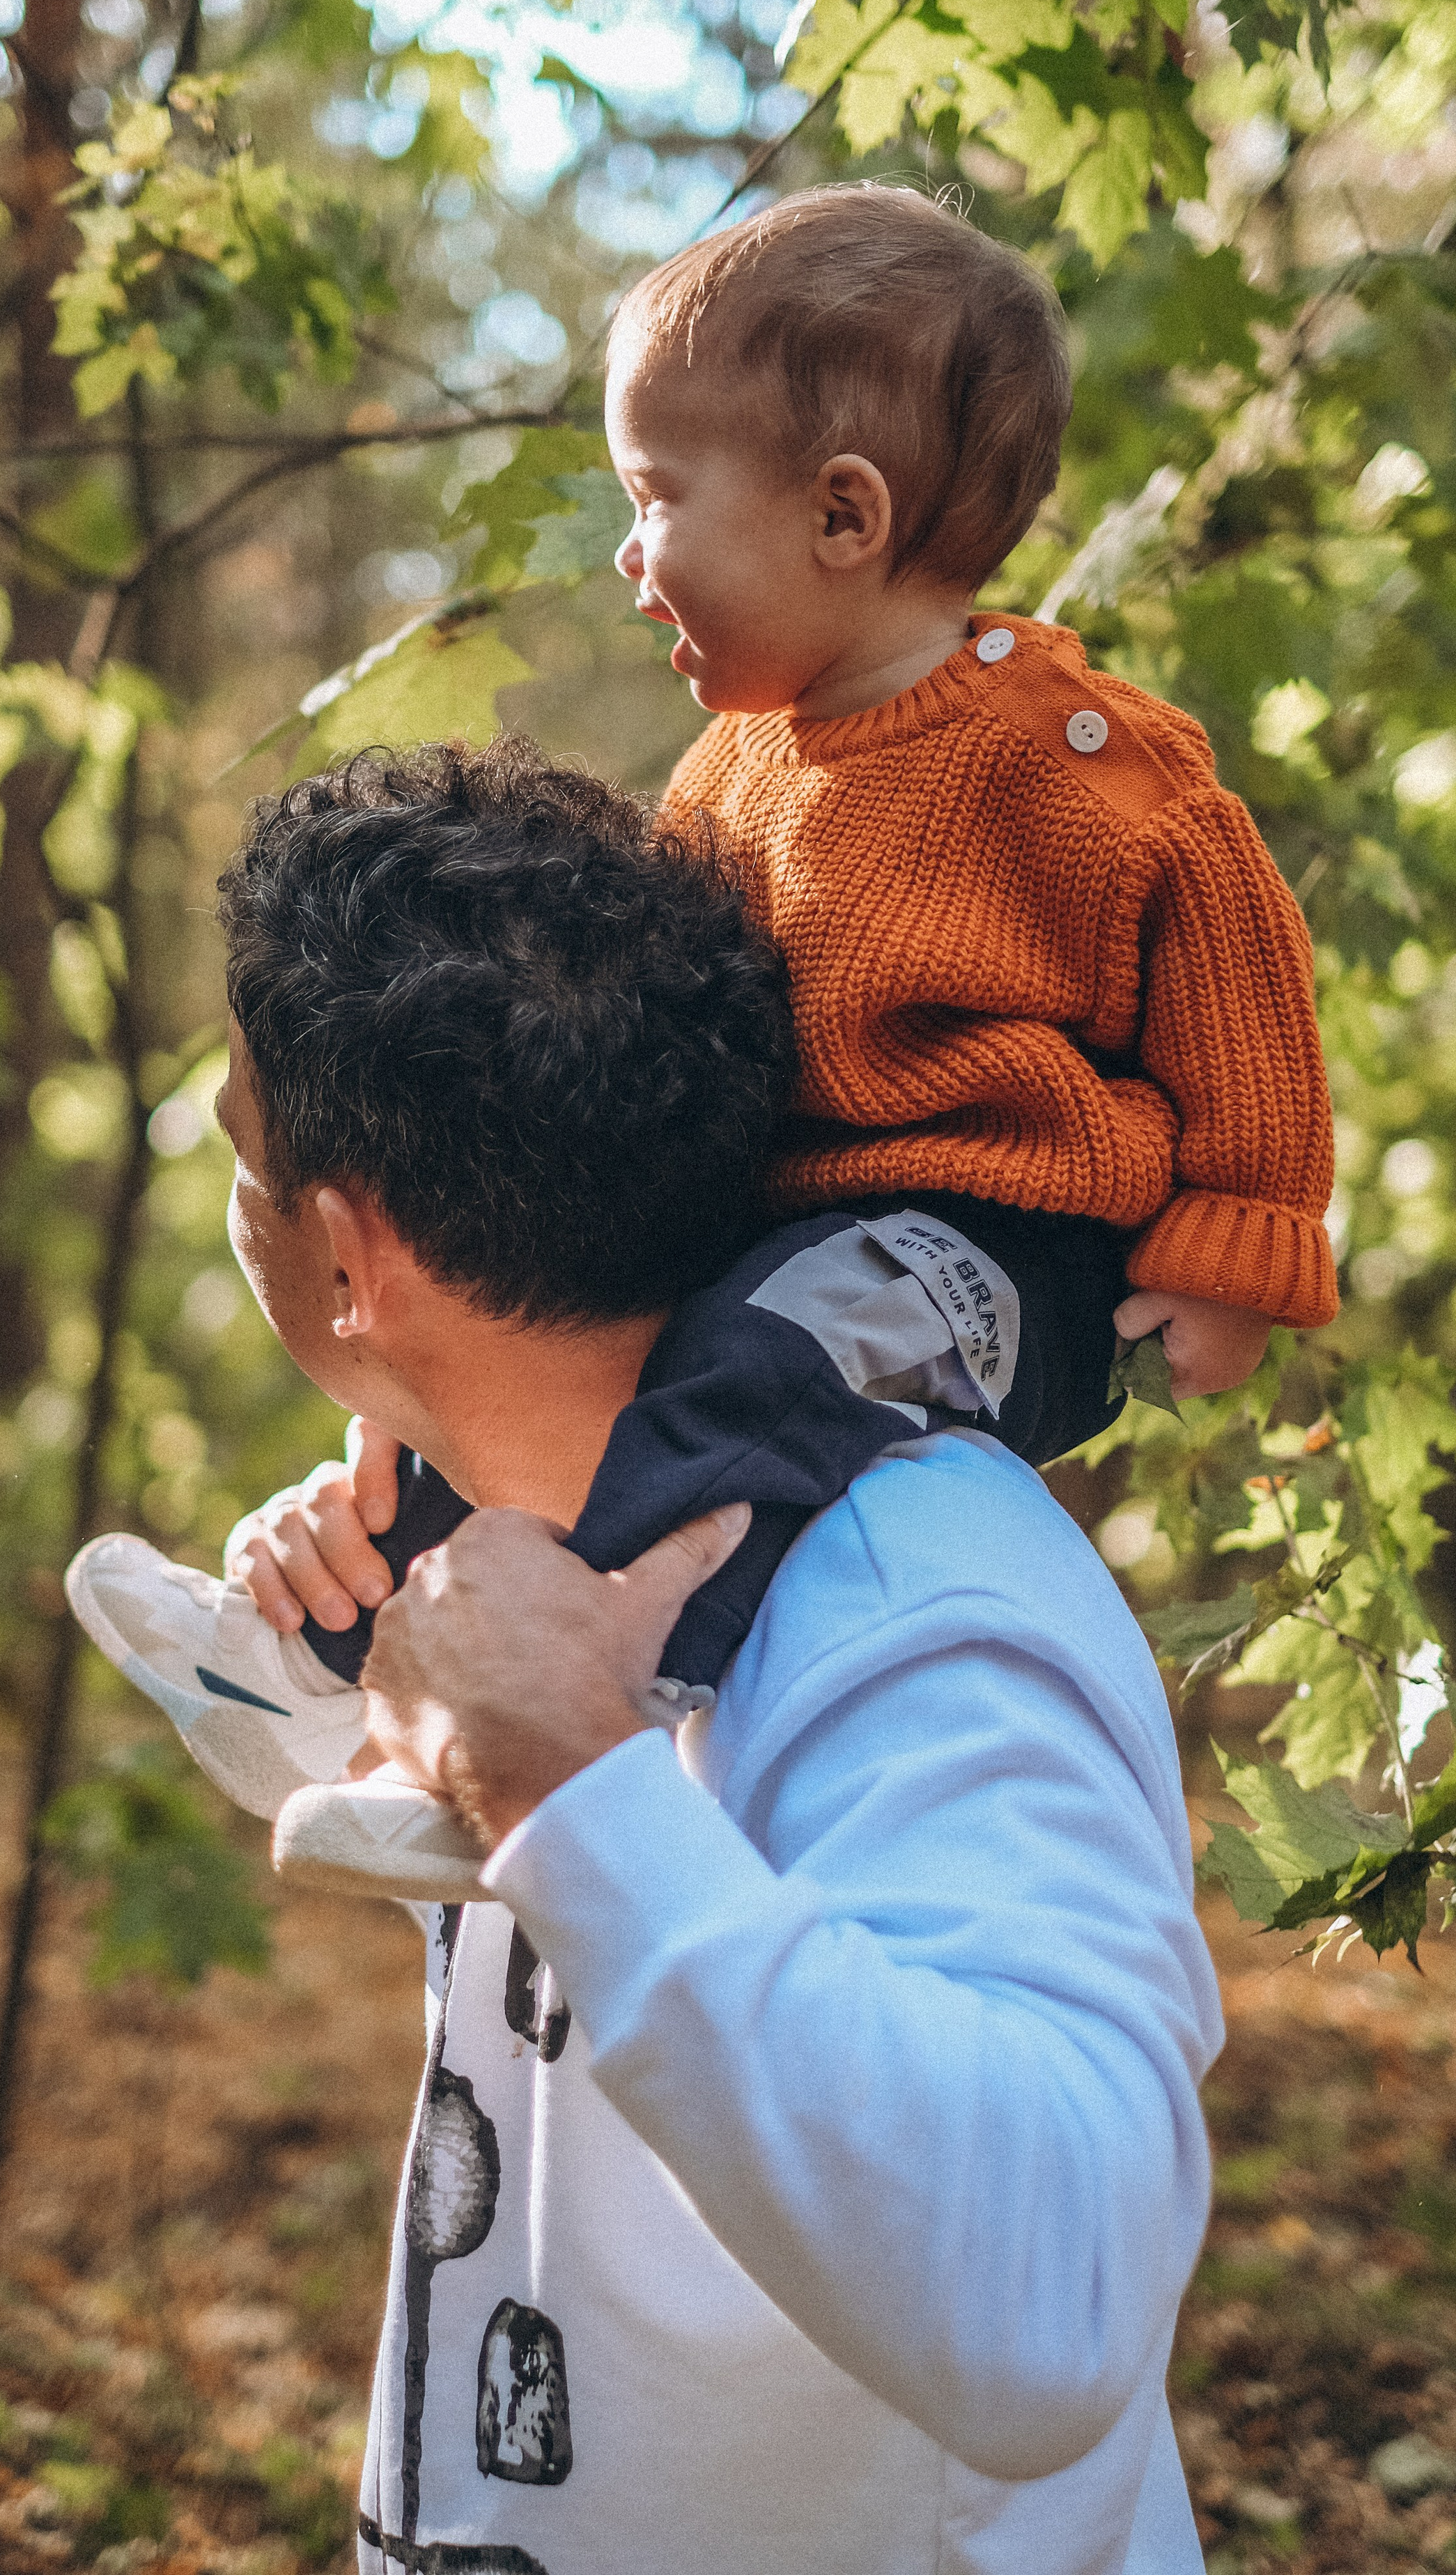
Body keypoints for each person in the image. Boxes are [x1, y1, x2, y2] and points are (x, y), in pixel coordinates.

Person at [196, 739, 1224, 2574]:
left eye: (239, 1146)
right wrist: (355, 1652)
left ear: (349, 1255)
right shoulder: (535, 1545)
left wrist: (572, 1791)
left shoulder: (922, 1600)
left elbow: (1062, 2303)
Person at [235, 180, 1336, 1892]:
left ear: (841, 516)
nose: (626, 552)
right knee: (592, 1378)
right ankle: (329, 1684)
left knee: (756, 1372)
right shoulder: (732, 767)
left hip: (987, 1250)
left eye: (655, 497)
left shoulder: (1071, 752)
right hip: (775, 1228)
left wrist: (1235, 1242)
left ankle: (580, 1692)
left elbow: (1236, 966)